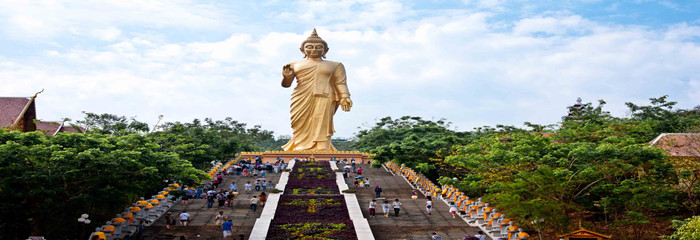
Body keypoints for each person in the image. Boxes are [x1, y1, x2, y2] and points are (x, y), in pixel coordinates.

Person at [280, 29, 353, 151]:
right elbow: (286, 85)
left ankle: (322, 146)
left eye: (318, 47)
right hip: (301, 95)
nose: (313, 49)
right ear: (302, 50)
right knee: (299, 122)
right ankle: (299, 146)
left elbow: (340, 82)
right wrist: (286, 77)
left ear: (326, 50)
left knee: (322, 120)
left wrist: (345, 97)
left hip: (325, 95)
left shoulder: (335, 65)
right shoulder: (293, 65)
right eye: (309, 47)